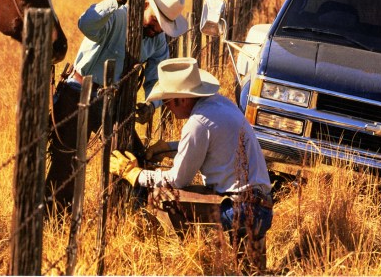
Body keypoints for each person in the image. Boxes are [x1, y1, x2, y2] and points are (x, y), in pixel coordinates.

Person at [110, 57, 273, 272]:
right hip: (261, 206)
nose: (167, 108)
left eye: (167, 102)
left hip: (240, 209)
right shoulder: (219, 103)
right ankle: (247, 262)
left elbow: (177, 179)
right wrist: (168, 147)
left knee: (160, 198)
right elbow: (210, 142)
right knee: (248, 270)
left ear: (181, 99)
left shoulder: (197, 123)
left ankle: (196, 262)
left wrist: (136, 174)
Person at [46, 0, 188, 213]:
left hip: (115, 102)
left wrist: (150, 104)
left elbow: (156, 79)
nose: (156, 30)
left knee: (132, 154)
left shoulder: (157, 39)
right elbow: (86, 24)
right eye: (154, 22)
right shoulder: (117, 17)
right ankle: (54, 215)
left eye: (162, 27)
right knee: (67, 160)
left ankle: (126, 210)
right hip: (78, 92)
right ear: (144, 5)